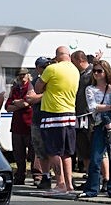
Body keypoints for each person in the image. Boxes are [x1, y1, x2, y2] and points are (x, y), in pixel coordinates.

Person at [34, 46, 79, 194]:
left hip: (52, 114)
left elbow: (38, 88)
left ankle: (60, 183)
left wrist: (47, 85)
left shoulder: (52, 69)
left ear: (57, 56)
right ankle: (69, 185)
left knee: (53, 151)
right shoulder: (75, 70)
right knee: (67, 152)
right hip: (70, 114)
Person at [78, 60, 111, 198]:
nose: (96, 73)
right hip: (98, 124)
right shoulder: (90, 89)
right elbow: (92, 107)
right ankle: (92, 188)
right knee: (95, 158)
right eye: (94, 71)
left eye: (99, 71)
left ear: (106, 72)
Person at [26, 57, 52, 187]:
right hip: (37, 120)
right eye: (43, 67)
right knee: (40, 151)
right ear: (38, 68)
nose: (46, 68)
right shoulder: (35, 81)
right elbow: (30, 98)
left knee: (54, 151)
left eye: (48, 66)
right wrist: (46, 94)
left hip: (51, 119)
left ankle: (62, 178)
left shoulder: (53, 80)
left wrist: (41, 96)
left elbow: (53, 93)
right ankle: (45, 177)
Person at [5, 68, 33, 185]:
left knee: (33, 153)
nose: (22, 77)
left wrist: (16, 103)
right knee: (18, 154)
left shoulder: (31, 87)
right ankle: (20, 176)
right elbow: (7, 106)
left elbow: (28, 102)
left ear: (28, 75)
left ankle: (37, 176)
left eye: (24, 74)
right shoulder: (15, 89)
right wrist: (20, 103)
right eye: (19, 75)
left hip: (30, 125)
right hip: (17, 126)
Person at [71, 50, 93, 176]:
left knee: (94, 149)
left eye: (73, 62)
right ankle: (89, 177)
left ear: (80, 60)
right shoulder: (79, 74)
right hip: (79, 116)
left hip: (90, 116)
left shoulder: (92, 73)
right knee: (83, 150)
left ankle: (104, 178)